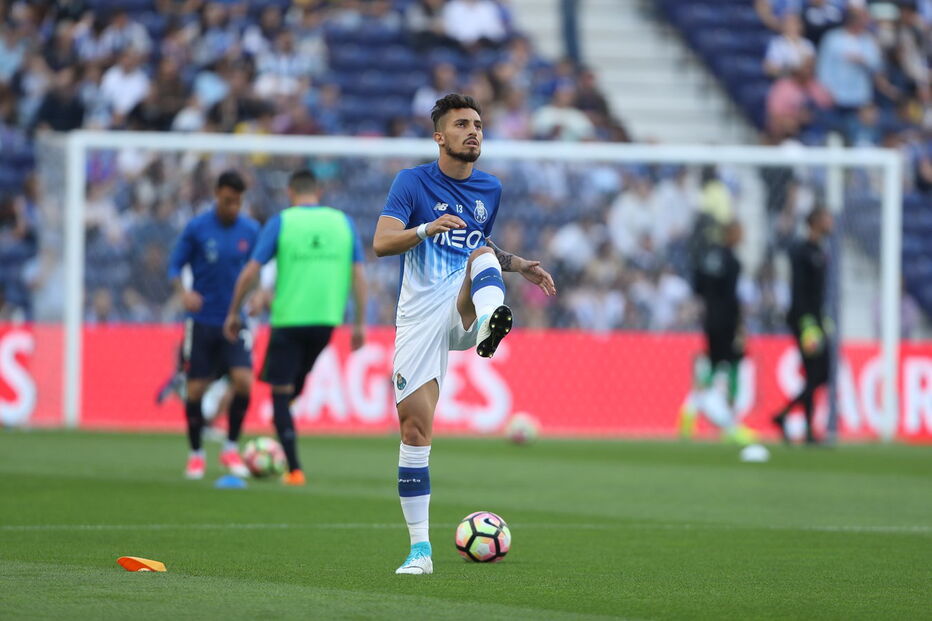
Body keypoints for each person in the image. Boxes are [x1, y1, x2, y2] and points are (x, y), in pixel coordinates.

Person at [372, 93, 556, 575]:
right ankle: (420, 551)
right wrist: (426, 228)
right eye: (461, 124)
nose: (473, 131)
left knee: (481, 256)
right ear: (440, 136)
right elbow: (381, 243)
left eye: (477, 124)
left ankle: (492, 322)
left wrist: (518, 264)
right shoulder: (411, 182)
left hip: (463, 307)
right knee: (415, 431)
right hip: (419, 317)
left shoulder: (490, 188)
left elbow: (480, 244)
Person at [224, 169, 367, 486]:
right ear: (318, 192)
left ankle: (294, 470)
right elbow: (358, 274)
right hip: (327, 322)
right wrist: (359, 323)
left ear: (290, 192)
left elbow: (251, 270)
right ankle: (285, 415)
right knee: (295, 382)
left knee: (280, 391)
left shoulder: (282, 221)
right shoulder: (343, 223)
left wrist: (234, 311)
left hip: (289, 321)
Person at [167, 170, 259, 480]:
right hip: (202, 321)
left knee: (244, 382)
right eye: (228, 200)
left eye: (238, 202)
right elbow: (174, 266)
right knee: (195, 390)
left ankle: (230, 448)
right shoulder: (197, 228)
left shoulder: (250, 230)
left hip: (234, 320)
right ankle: (196, 455)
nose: (233, 207)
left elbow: (257, 270)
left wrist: (258, 294)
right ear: (217, 194)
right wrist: (184, 293)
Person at [679, 220, 756, 444]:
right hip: (727, 321)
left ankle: (689, 412)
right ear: (731, 234)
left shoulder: (709, 258)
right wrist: (739, 325)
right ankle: (731, 426)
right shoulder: (733, 261)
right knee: (732, 367)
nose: (742, 237)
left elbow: (698, 286)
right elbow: (733, 296)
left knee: (713, 367)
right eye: (739, 233)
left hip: (710, 319)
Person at [772, 206, 833, 444]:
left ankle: (787, 417)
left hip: (816, 319)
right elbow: (798, 291)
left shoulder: (819, 250)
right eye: (826, 218)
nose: (831, 222)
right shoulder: (801, 251)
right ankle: (806, 429)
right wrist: (807, 323)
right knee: (816, 372)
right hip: (805, 321)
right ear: (815, 222)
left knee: (818, 374)